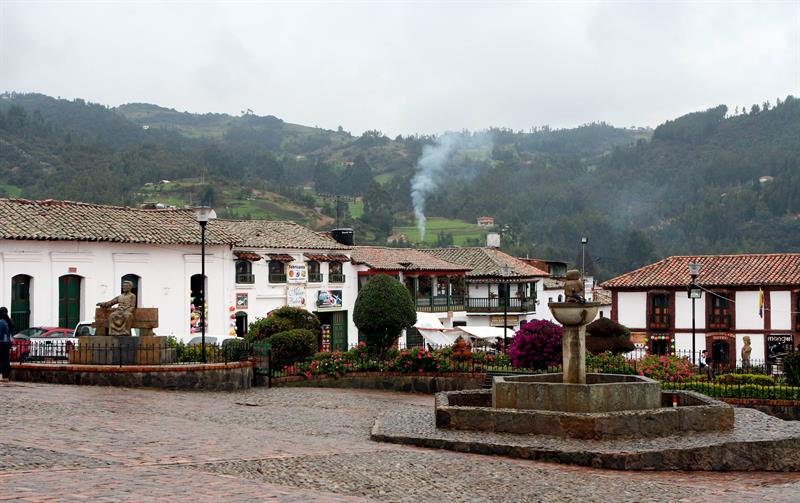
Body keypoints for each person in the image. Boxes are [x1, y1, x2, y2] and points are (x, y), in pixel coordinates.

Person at [0, 306, 12, 380]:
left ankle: (1, 376)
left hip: (1, 343)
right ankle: (6, 376)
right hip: (7, 343)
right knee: (5, 360)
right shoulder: (8, 321)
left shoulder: (1, 322)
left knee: (1, 360)